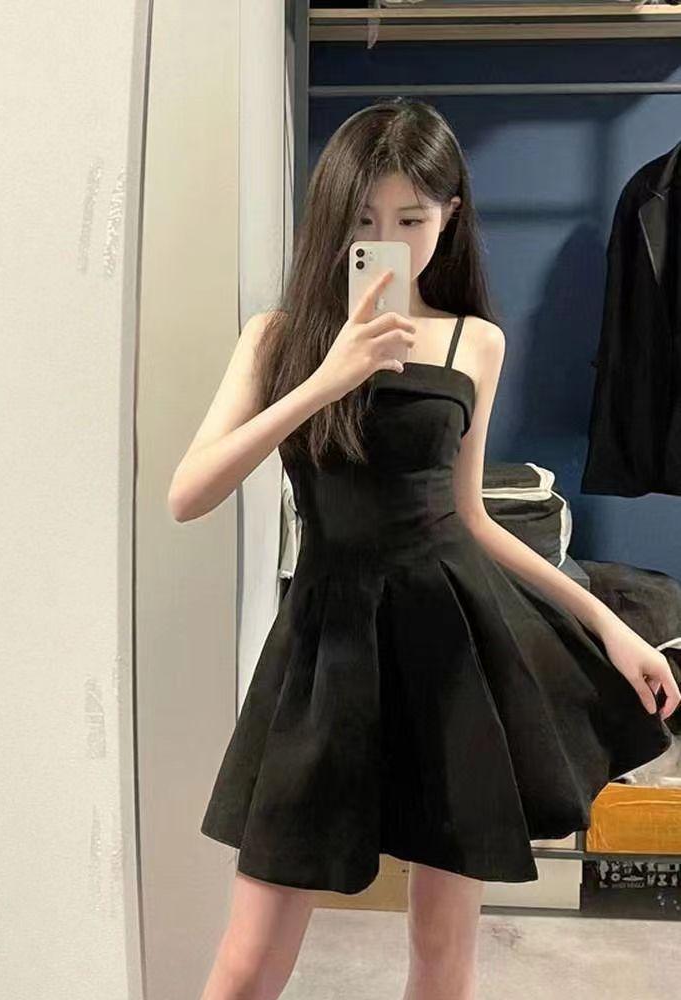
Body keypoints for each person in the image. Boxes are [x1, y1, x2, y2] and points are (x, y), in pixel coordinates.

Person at [167, 99, 680, 1000]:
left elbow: (471, 517)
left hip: (451, 649)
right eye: (363, 218)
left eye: (411, 219)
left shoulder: (475, 341)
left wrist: (612, 626)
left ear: (450, 215)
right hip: (324, 650)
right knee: (247, 963)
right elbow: (189, 493)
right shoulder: (278, 338)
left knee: (442, 956)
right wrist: (328, 378)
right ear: (332, 215)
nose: (386, 239)